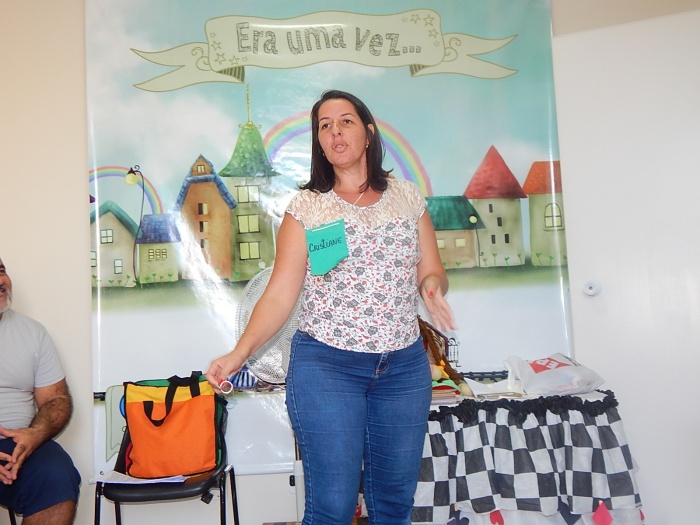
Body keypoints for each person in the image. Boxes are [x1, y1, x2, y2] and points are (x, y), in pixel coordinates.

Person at [206, 89, 456, 525]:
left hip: (402, 369)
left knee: (394, 505)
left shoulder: (407, 197)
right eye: (325, 126)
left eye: (346, 121)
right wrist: (238, 354)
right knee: (333, 507)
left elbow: (431, 270)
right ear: (319, 142)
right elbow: (279, 295)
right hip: (327, 367)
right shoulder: (307, 207)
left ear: (368, 133)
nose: (335, 131)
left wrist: (432, 288)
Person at [0, 258, 81, 525]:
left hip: (18, 444)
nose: (1, 281)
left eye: (1, 271)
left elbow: (56, 400)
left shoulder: (32, 333)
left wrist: (34, 434)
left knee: (56, 475)